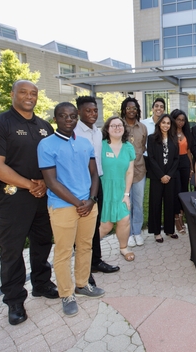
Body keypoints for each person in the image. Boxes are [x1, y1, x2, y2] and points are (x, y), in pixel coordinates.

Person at [0, 80, 57, 326]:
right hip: (12, 198)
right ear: (13, 94)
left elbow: (52, 159)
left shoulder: (44, 126)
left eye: (33, 93)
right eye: (23, 92)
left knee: (43, 241)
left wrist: (44, 183)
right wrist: (29, 184)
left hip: (41, 195)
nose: (29, 97)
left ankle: (41, 284)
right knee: (11, 250)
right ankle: (14, 300)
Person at [38, 102, 105, 317]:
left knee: (85, 246)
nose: (68, 119)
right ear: (55, 118)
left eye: (72, 116)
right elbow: (51, 182)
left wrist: (92, 199)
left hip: (88, 204)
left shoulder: (85, 143)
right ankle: (66, 293)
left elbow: (94, 174)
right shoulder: (46, 145)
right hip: (63, 206)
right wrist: (79, 203)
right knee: (64, 251)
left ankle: (82, 285)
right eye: (63, 116)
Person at [74, 96, 119, 282]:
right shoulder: (74, 131)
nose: (93, 114)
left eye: (95, 111)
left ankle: (95, 261)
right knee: (81, 229)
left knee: (94, 224)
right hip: (80, 184)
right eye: (88, 111)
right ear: (79, 112)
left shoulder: (98, 132)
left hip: (96, 181)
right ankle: (83, 270)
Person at [99, 117, 136, 261]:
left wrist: (126, 193)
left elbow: (130, 172)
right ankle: (88, 249)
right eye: (113, 125)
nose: (117, 128)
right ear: (107, 129)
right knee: (106, 225)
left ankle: (123, 247)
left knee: (124, 219)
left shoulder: (128, 147)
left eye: (119, 125)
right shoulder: (100, 146)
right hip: (104, 189)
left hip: (121, 189)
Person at [147, 114, 180, 243]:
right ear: (159, 124)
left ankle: (169, 229)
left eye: (168, 123)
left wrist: (169, 175)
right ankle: (156, 232)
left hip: (170, 177)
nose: (166, 125)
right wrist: (161, 175)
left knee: (170, 203)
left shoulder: (174, 139)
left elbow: (176, 159)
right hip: (157, 177)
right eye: (163, 122)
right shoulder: (152, 138)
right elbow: (151, 158)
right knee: (156, 203)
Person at [120, 97, 148, 247]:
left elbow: (143, 147)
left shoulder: (142, 128)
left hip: (139, 170)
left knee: (138, 203)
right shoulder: (118, 126)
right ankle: (128, 233)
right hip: (122, 173)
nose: (132, 111)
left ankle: (137, 232)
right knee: (126, 204)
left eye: (134, 108)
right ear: (124, 110)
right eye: (129, 108)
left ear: (138, 111)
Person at [171, 109, 193, 234]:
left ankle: (182, 216)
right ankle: (176, 218)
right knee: (176, 191)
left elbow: (189, 151)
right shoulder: (170, 133)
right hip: (174, 163)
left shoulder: (186, 133)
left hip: (185, 162)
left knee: (184, 191)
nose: (180, 122)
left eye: (183, 120)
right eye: (178, 120)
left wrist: (191, 168)